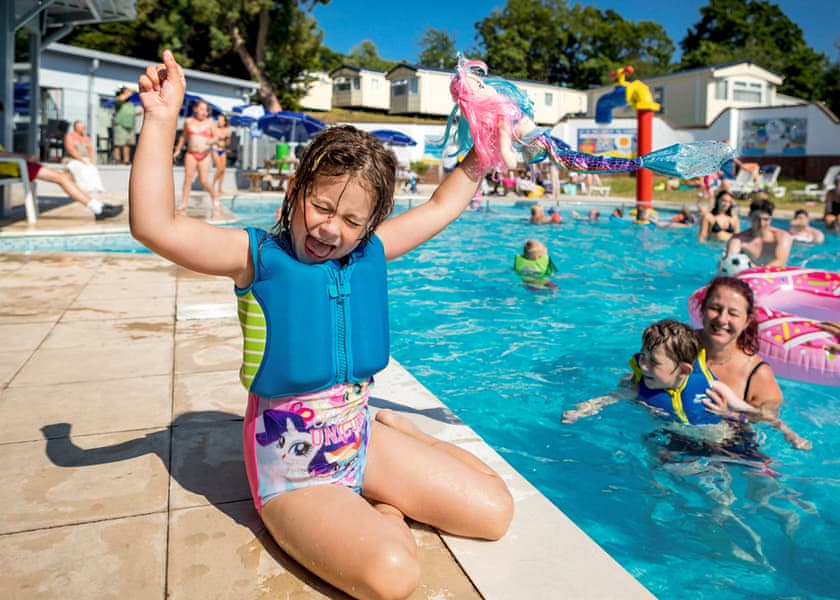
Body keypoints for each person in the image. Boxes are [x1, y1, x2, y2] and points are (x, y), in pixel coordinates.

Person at [130, 51, 513, 599]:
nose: (332, 229)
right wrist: (162, 118)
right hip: (295, 474)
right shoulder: (256, 256)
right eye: (322, 206)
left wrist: (484, 151)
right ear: (296, 193)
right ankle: (378, 514)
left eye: (353, 220)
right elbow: (154, 225)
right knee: (394, 576)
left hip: (360, 441)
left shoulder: (369, 253)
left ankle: (394, 446)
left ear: (371, 225)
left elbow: (441, 204)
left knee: (495, 513)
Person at [695, 276, 810, 449]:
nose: (722, 319)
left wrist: (730, 413)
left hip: (732, 449)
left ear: (747, 322)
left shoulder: (756, 373)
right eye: (715, 308)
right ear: (703, 309)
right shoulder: (678, 346)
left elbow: (769, 419)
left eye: (733, 313)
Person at [561, 319, 719, 425]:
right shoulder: (640, 387)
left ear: (684, 370)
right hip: (672, 438)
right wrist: (582, 410)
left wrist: (738, 412)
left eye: (654, 362)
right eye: (643, 357)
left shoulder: (706, 384)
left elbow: (735, 408)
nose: (643, 367)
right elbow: (612, 397)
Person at [0, 100, 122, 221]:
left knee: (65, 177)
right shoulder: (70, 136)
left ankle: (97, 206)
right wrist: (25, 157)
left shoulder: (84, 137)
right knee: (63, 178)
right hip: (10, 167)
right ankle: (98, 208)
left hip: (12, 165)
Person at [173, 99, 218, 212]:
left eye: (206, 110)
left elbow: (216, 136)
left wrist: (210, 141)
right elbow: (184, 137)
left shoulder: (210, 123)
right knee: (188, 179)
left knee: (203, 180)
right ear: (195, 109)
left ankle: (214, 197)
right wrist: (177, 150)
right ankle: (184, 203)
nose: (204, 112)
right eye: (202, 109)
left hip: (205, 154)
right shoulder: (188, 121)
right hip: (191, 153)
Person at [724, 194, 791, 267]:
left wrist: (754, 268)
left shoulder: (782, 237)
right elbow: (730, 261)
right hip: (749, 275)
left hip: (774, 276)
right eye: (756, 218)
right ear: (749, 215)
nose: (761, 223)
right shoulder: (738, 240)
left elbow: (779, 262)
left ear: (771, 219)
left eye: (766, 219)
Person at [63, 120, 106, 195]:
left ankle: (97, 187)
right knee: (80, 168)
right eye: (82, 127)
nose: (84, 128)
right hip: (73, 159)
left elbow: (91, 150)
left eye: (84, 127)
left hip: (85, 159)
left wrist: (91, 160)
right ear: (76, 128)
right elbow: (70, 150)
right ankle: (86, 189)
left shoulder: (86, 138)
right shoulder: (70, 136)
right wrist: (81, 160)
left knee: (92, 169)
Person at [112, 86, 138, 164]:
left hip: (130, 125)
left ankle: (126, 160)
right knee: (118, 143)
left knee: (127, 144)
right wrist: (128, 93)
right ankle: (117, 159)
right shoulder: (118, 100)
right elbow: (121, 99)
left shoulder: (131, 103)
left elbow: (131, 113)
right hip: (120, 125)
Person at [211, 113, 231, 194]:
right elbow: (211, 139)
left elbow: (227, 143)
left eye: (221, 120)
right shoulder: (215, 129)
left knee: (223, 170)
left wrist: (228, 137)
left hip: (223, 150)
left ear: (224, 122)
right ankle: (212, 186)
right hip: (215, 149)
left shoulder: (226, 130)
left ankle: (220, 188)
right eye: (218, 120)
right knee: (219, 168)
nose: (219, 122)